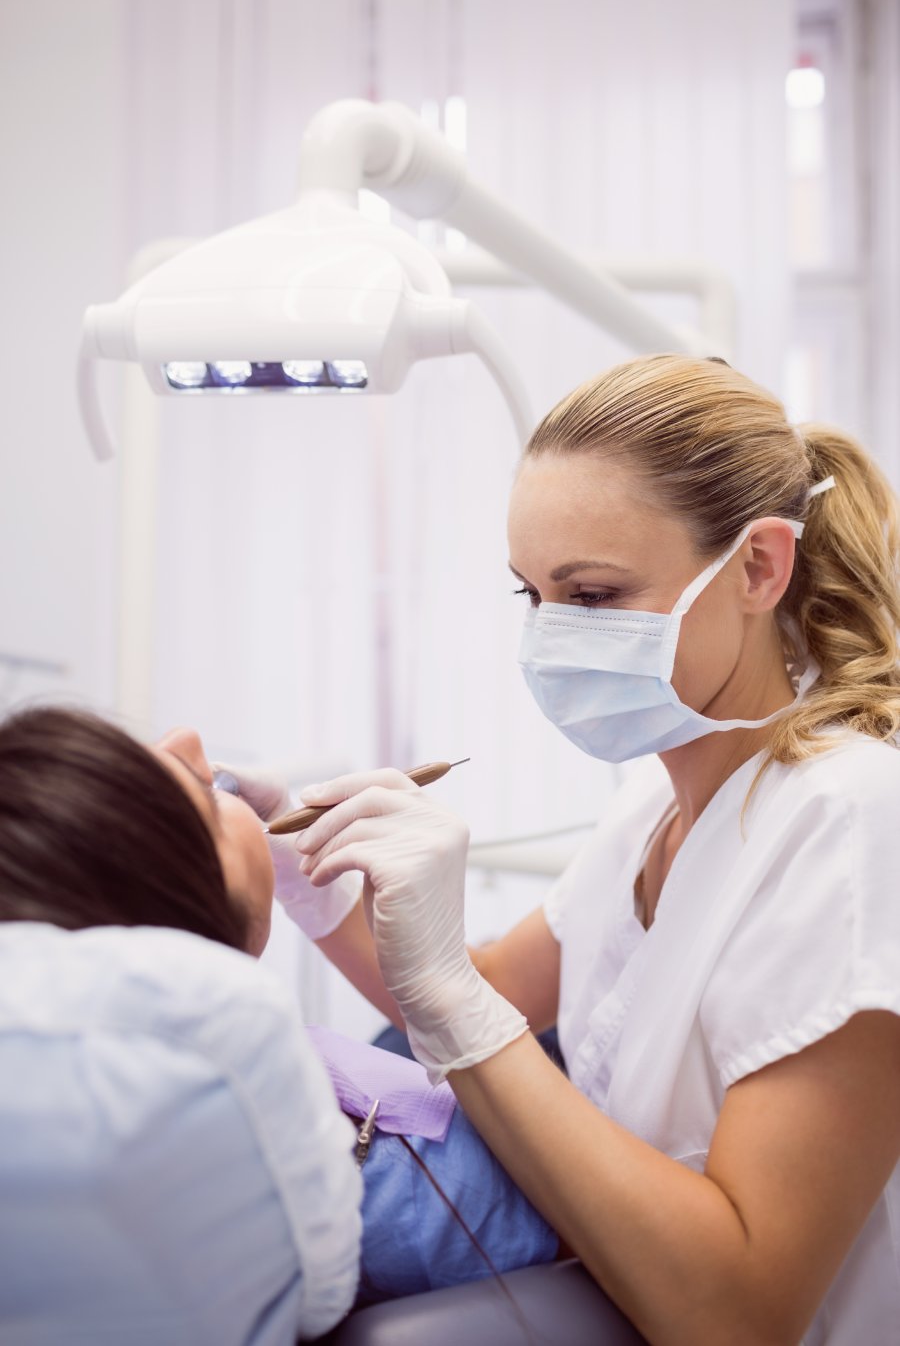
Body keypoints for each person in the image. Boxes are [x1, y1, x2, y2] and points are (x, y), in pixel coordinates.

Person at [266, 354, 900, 1346]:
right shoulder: (652, 810)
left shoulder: (851, 822)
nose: (552, 639)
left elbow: (743, 1313)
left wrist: (452, 995)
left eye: (594, 596)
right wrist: (304, 878)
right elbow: (481, 994)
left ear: (758, 568)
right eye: (532, 597)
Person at [0, 707, 555, 1344]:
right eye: (208, 802)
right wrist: (443, 982)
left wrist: (308, 888)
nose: (188, 739)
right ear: (191, 926)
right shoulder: (364, 1160)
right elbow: (574, 1215)